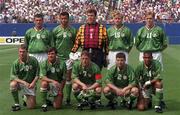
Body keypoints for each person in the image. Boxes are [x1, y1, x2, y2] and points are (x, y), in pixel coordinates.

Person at [52, 11, 77, 105]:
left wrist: (73, 54)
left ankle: (68, 98)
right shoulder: (55, 30)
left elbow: (76, 43)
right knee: (57, 78)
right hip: (58, 58)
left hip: (68, 58)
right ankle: (57, 95)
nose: (64, 20)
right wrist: (55, 55)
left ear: (68, 19)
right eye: (62, 18)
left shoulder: (73, 30)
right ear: (59, 19)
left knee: (68, 78)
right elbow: (52, 44)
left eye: (65, 18)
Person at [10, 44, 39, 111]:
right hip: (21, 84)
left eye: (23, 51)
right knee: (12, 84)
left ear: (27, 52)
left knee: (31, 107)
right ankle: (17, 104)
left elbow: (37, 74)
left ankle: (25, 96)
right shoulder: (16, 63)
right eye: (20, 51)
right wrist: (23, 82)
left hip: (30, 84)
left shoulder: (33, 60)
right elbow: (13, 76)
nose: (21, 53)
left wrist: (33, 83)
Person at [39, 47, 67, 112]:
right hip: (49, 84)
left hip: (58, 85)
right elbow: (42, 77)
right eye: (48, 54)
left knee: (57, 107)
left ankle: (50, 100)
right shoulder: (44, 63)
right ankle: (44, 104)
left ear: (56, 55)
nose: (50, 55)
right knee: (44, 83)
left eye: (52, 54)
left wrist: (60, 90)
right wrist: (53, 81)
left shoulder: (62, 63)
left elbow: (64, 79)